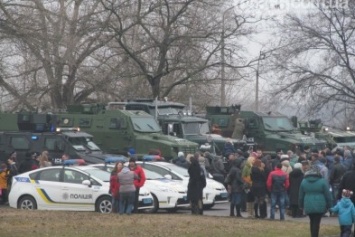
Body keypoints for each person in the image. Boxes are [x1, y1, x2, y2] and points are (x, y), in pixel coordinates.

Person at [299, 165, 332, 237]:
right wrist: (330, 205)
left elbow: (301, 195)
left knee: (312, 220)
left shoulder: (304, 181)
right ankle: (315, 235)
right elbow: (327, 194)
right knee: (317, 222)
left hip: (308, 202)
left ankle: (312, 234)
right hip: (320, 203)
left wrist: (300, 205)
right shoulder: (322, 181)